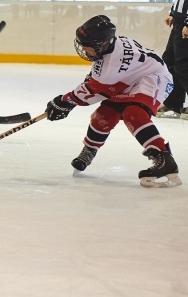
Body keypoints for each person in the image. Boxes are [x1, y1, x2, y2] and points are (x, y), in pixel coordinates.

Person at [45, 15, 180, 188]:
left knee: (134, 113)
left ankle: (164, 159)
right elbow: (97, 82)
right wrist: (71, 100)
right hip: (130, 78)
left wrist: (64, 101)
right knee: (103, 115)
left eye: (88, 48)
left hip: (154, 78)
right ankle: (89, 150)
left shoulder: (112, 64)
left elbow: (93, 91)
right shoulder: (111, 46)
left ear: (102, 44)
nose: (85, 52)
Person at [156, 0, 188, 119]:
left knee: (184, 64)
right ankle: (173, 101)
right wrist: (173, 13)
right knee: (169, 60)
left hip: (186, 22)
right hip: (180, 18)